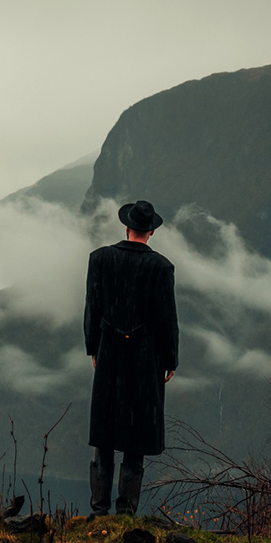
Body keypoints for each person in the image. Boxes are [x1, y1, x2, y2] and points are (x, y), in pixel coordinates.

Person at [84, 199, 179, 517]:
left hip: (109, 353)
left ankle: (99, 510)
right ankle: (126, 513)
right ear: (151, 231)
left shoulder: (100, 259)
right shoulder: (161, 268)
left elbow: (92, 308)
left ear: (127, 226)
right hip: (145, 358)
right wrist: (170, 359)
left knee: (105, 432)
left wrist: (93, 347)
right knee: (136, 435)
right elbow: (167, 319)